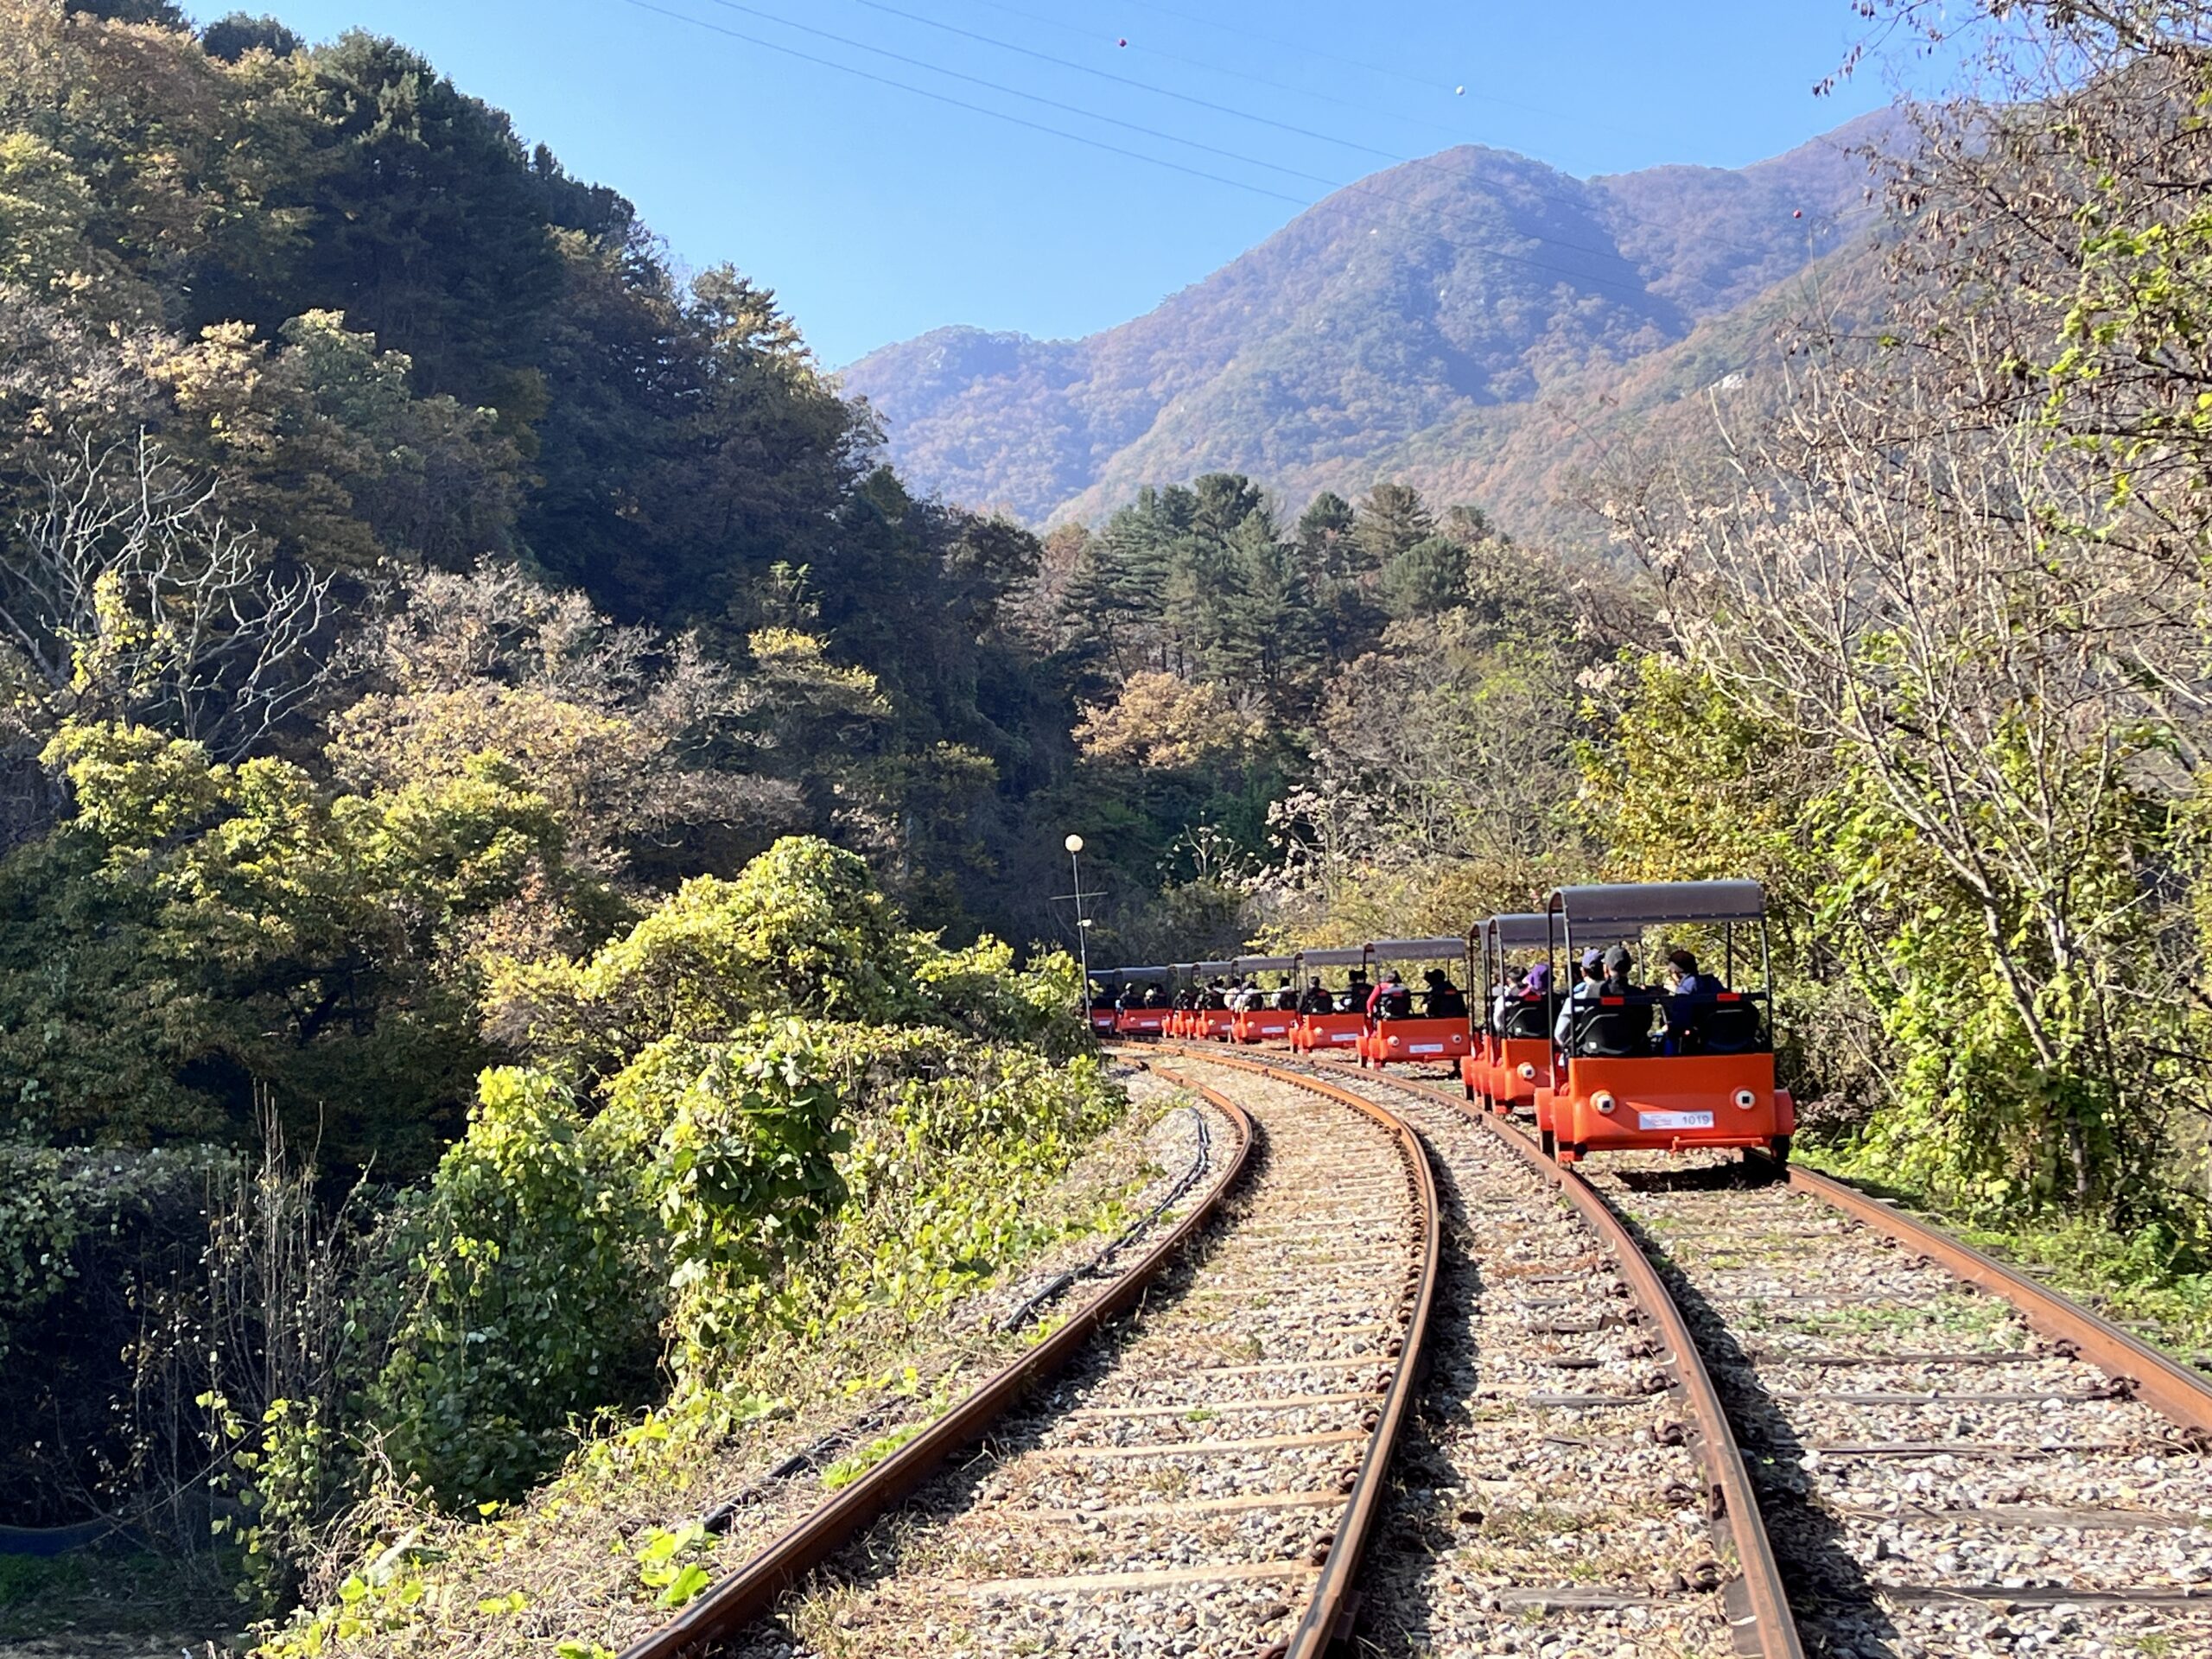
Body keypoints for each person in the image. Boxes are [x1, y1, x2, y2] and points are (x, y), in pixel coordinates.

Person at [1554, 949, 1607, 1046]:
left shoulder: (1574, 1002)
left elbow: (1560, 1035)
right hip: (1631, 1053)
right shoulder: (1627, 997)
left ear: (1583, 972)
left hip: (1586, 1053)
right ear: (1605, 970)